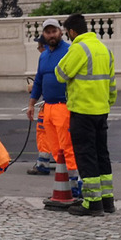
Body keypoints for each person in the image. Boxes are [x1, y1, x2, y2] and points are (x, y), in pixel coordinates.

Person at [56, 13, 117, 216]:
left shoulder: (79, 48)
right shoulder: (104, 49)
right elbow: (112, 83)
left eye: (67, 34)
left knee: (86, 155)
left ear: (72, 32)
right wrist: (107, 102)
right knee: (102, 154)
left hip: (82, 111)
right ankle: (107, 201)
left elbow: (61, 73)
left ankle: (92, 203)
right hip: (102, 110)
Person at [27, 19, 81, 201]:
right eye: (47, 32)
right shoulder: (43, 56)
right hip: (48, 107)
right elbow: (39, 82)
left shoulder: (69, 51)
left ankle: (75, 183)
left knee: (67, 147)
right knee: (56, 148)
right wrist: (31, 104)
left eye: (54, 31)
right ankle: (63, 182)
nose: (51, 35)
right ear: (44, 35)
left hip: (65, 106)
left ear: (60, 32)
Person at [27, 34, 53, 176]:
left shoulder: (47, 58)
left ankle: (43, 163)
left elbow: (43, 81)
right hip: (58, 104)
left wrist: (33, 91)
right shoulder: (55, 56)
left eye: (39, 47)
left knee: (43, 132)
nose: (38, 49)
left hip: (52, 105)